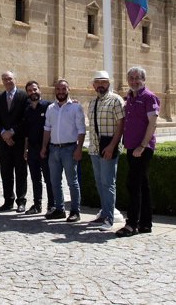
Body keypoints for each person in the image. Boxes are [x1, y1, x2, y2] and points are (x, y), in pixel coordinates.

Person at [116, 66, 160, 237]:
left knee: (133, 185)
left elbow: (152, 123)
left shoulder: (149, 97)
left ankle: (131, 224)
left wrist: (142, 146)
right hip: (132, 147)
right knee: (143, 184)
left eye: (137, 78)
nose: (134, 81)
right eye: (131, 78)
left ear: (143, 79)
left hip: (142, 148)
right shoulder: (130, 98)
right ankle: (146, 223)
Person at [40, 79, 85, 223]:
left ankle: (75, 211)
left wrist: (79, 148)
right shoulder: (51, 108)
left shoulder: (76, 108)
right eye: (58, 89)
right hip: (53, 149)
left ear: (68, 90)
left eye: (63, 89)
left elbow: (81, 130)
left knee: (72, 181)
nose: (60, 91)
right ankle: (59, 209)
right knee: (54, 181)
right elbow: (47, 129)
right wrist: (44, 147)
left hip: (69, 149)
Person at [86, 70, 125, 231]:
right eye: (98, 82)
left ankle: (109, 218)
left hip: (109, 148)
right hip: (95, 148)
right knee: (100, 183)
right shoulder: (93, 102)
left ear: (109, 84)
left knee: (108, 183)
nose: (101, 85)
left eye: (104, 82)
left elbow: (121, 125)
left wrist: (112, 146)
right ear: (94, 85)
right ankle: (104, 213)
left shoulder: (116, 100)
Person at [0, 70, 28, 212]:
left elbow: (25, 118)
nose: (7, 81)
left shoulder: (23, 96)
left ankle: (21, 201)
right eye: (4, 79)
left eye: (9, 78)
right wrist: (3, 133)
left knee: (20, 171)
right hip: (4, 141)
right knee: (5, 171)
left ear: (15, 79)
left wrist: (11, 132)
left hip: (18, 141)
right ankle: (8, 200)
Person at [22, 80, 54, 215]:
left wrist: (45, 147)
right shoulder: (28, 110)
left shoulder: (48, 106)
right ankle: (37, 205)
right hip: (33, 150)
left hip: (46, 149)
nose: (32, 92)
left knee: (49, 178)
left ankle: (52, 205)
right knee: (35, 178)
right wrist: (25, 150)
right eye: (29, 90)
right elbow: (26, 133)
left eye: (34, 89)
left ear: (39, 89)